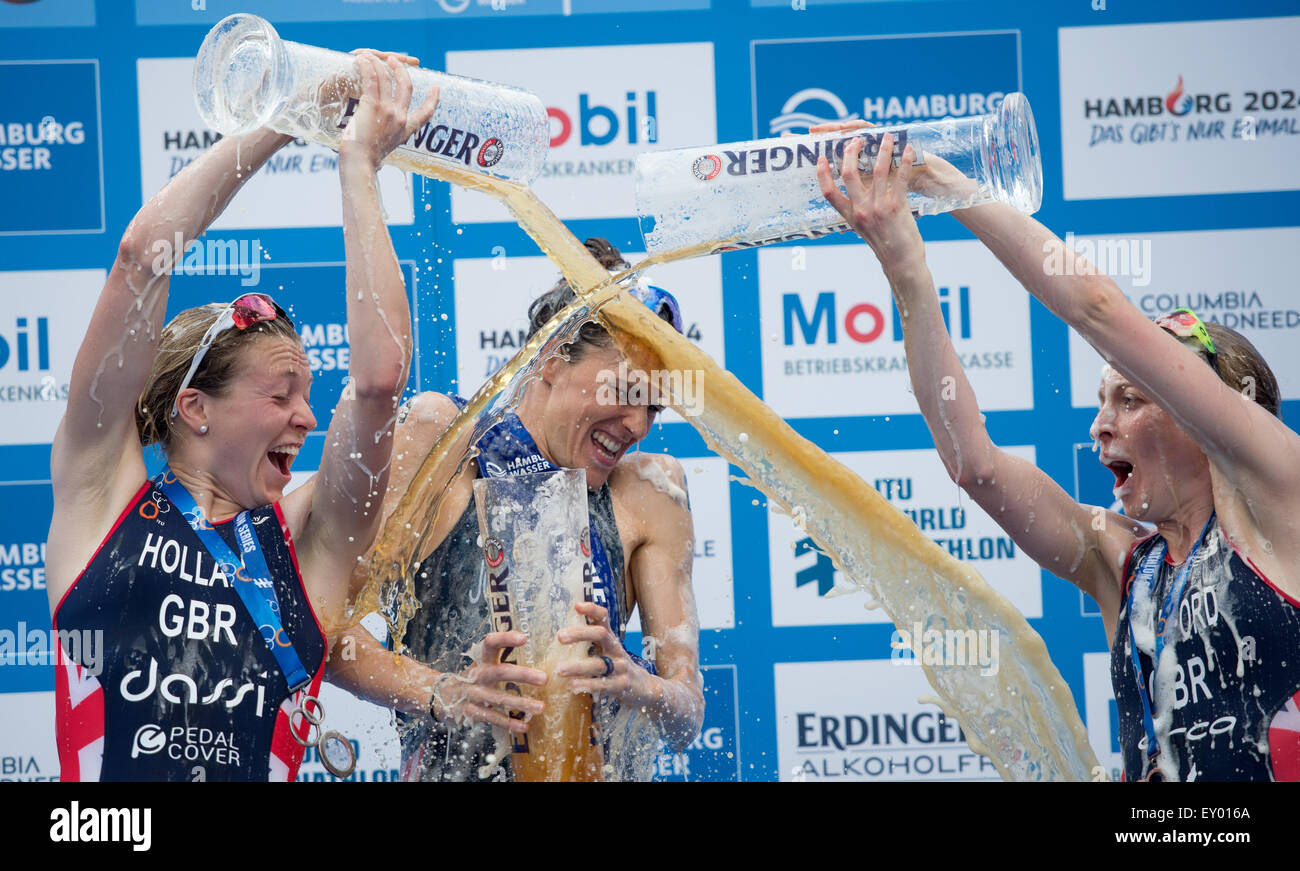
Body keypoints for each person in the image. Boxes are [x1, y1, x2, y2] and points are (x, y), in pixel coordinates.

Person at [818, 127, 1300, 781]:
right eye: (1102, 401)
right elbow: (976, 466)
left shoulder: (1281, 500)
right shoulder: (1122, 559)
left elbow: (1097, 308)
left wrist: (940, 181)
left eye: (1132, 397)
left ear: (1208, 415)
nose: (1101, 426)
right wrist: (905, 267)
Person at [45, 51, 438, 782]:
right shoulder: (101, 493)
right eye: (281, 393)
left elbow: (380, 382)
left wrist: (358, 163)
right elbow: (140, 258)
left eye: (309, 395)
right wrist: (284, 117)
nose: (305, 417)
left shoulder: (310, 544)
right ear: (193, 406)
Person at [327, 238, 704, 781]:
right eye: (625, 390)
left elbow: (686, 716)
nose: (639, 424)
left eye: (653, 403)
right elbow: (325, 625)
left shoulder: (651, 490)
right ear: (551, 355)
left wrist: (637, 682)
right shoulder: (446, 439)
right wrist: (441, 691)